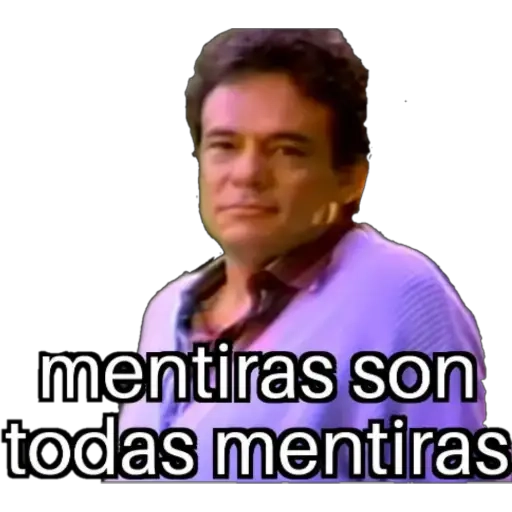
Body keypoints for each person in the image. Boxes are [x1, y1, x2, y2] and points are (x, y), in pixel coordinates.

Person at [117, 28, 492, 483]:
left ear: (349, 180)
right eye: (224, 145)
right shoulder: (168, 311)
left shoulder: (399, 295)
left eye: (286, 150)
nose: (247, 174)